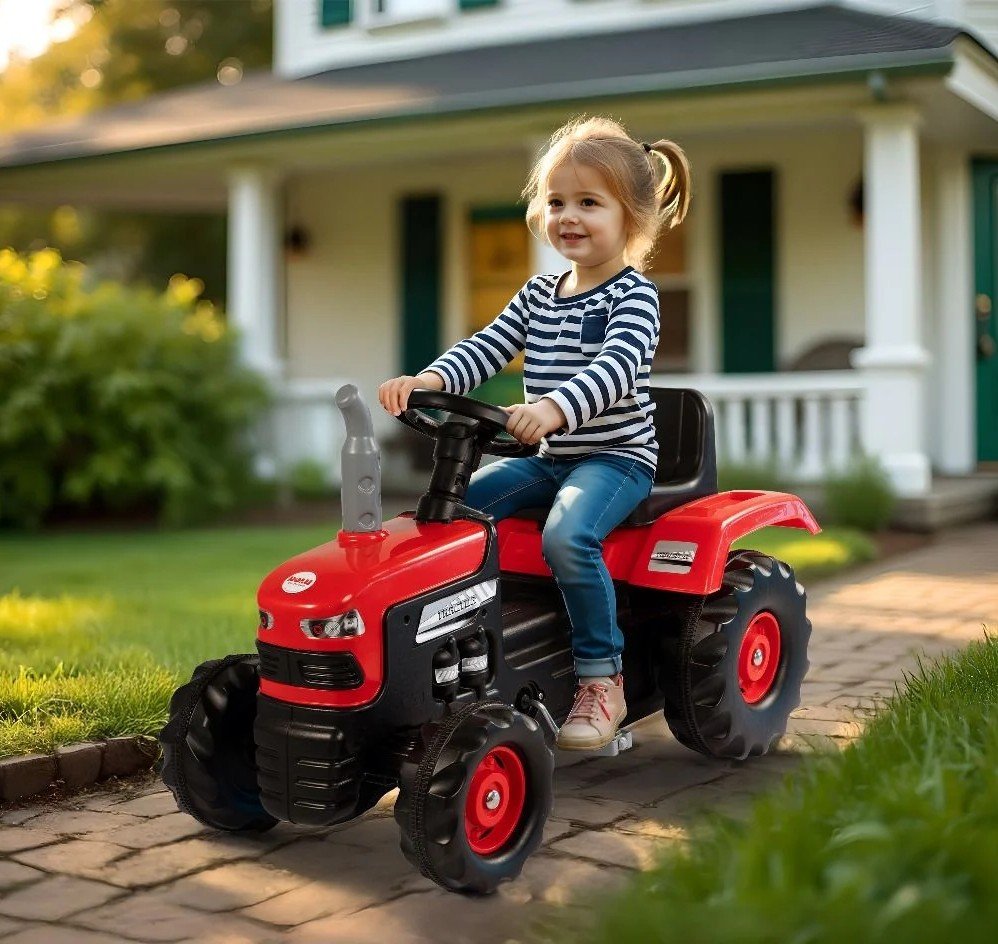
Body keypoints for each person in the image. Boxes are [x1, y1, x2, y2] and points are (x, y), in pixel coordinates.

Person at [378, 115, 691, 750]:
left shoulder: (635, 297)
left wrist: (552, 409)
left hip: (615, 458)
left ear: (631, 218)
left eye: (588, 203)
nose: (568, 216)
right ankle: (461, 652)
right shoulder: (539, 294)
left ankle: (602, 679)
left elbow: (617, 367)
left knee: (567, 537)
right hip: (546, 458)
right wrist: (429, 382)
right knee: (451, 516)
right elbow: (488, 348)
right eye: (556, 202)